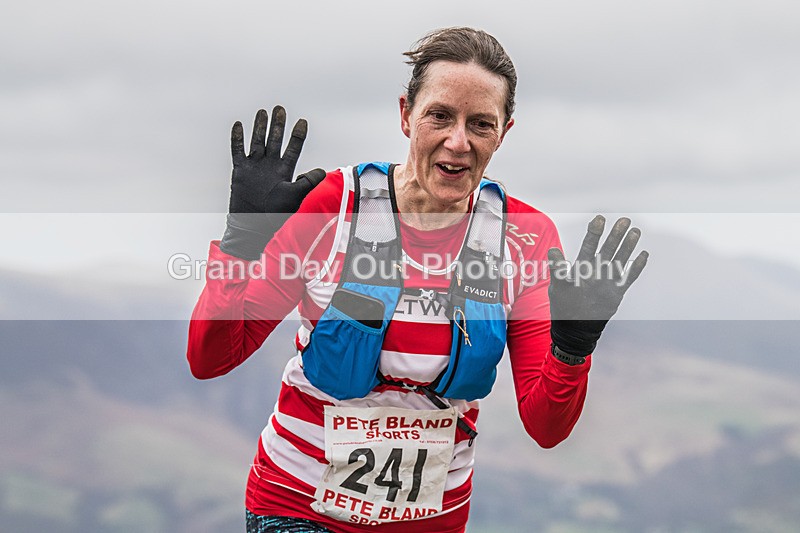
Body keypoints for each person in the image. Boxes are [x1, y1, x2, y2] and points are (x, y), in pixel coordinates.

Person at [188, 27, 647, 533]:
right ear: (406, 114)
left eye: (481, 124)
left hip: (434, 520)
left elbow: (546, 428)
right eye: (440, 116)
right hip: (296, 505)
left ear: (503, 133)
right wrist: (241, 244)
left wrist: (573, 348)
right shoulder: (333, 206)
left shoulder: (526, 237)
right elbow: (211, 359)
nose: (458, 142)